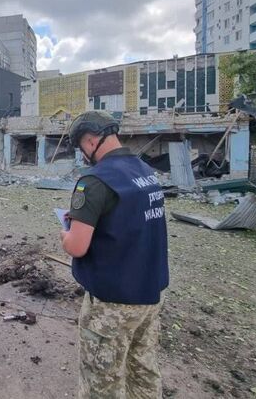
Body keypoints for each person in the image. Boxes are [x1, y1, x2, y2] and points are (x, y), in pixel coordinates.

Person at [59, 111, 169, 399]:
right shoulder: (146, 173)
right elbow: (128, 221)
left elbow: (77, 246)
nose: (84, 156)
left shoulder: (93, 182)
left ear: (90, 141)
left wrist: (65, 234)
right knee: (142, 371)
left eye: (81, 147)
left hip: (113, 303)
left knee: (101, 382)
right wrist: (86, 218)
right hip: (150, 294)